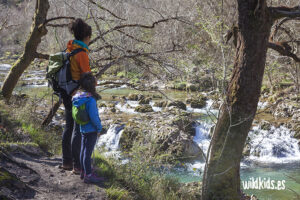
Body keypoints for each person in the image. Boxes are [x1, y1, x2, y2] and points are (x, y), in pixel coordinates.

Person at [61, 18, 92, 174]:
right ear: (86, 37)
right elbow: (87, 76)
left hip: (66, 92)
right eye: (89, 38)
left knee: (68, 127)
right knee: (78, 129)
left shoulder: (69, 49)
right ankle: (77, 166)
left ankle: (66, 162)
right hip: (77, 94)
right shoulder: (82, 53)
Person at [72, 73, 103, 183]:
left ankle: (83, 172)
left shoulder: (78, 97)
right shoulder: (91, 100)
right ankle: (88, 175)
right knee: (87, 153)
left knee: (83, 150)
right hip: (91, 130)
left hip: (83, 128)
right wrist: (99, 128)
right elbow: (94, 117)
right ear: (92, 86)